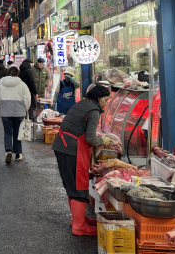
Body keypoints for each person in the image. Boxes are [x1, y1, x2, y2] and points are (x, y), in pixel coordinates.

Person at [51, 84, 114, 236]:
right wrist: (104, 141)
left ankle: (78, 219)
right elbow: (90, 137)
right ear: (98, 98)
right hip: (72, 150)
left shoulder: (83, 103)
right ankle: (79, 226)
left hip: (62, 146)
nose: (106, 103)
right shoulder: (93, 111)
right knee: (79, 187)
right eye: (105, 100)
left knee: (71, 185)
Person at [0, 66, 32, 164]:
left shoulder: (0, 84)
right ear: (18, 73)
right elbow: (27, 98)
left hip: (5, 112)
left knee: (7, 132)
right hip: (19, 112)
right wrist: (26, 108)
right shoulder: (22, 84)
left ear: (7, 72)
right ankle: (18, 154)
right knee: (17, 133)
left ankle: (8, 150)